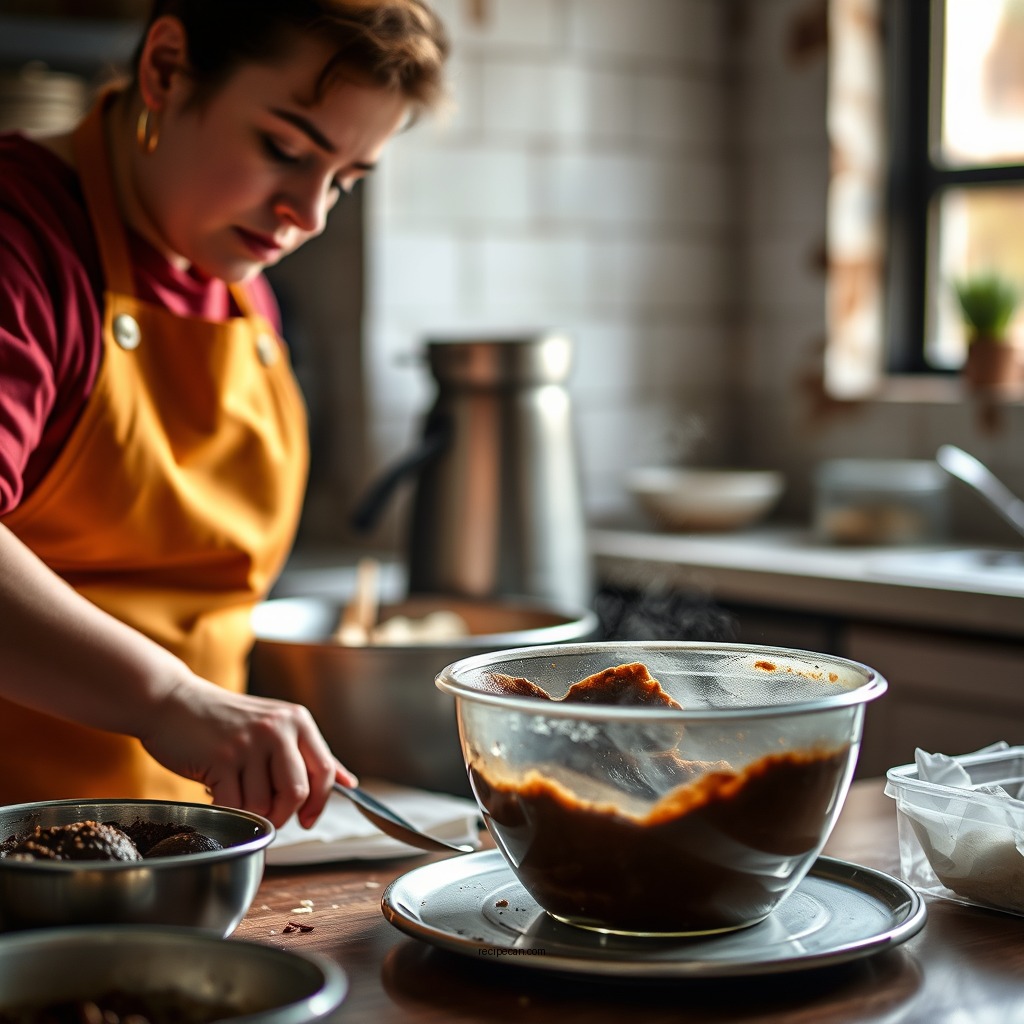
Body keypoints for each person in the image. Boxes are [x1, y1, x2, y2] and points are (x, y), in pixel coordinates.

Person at [0, 0, 449, 828]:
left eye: (346, 180)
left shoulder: (245, 297)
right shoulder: (20, 244)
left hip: (180, 848)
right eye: (284, 149)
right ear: (166, 69)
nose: (309, 214)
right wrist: (169, 697)